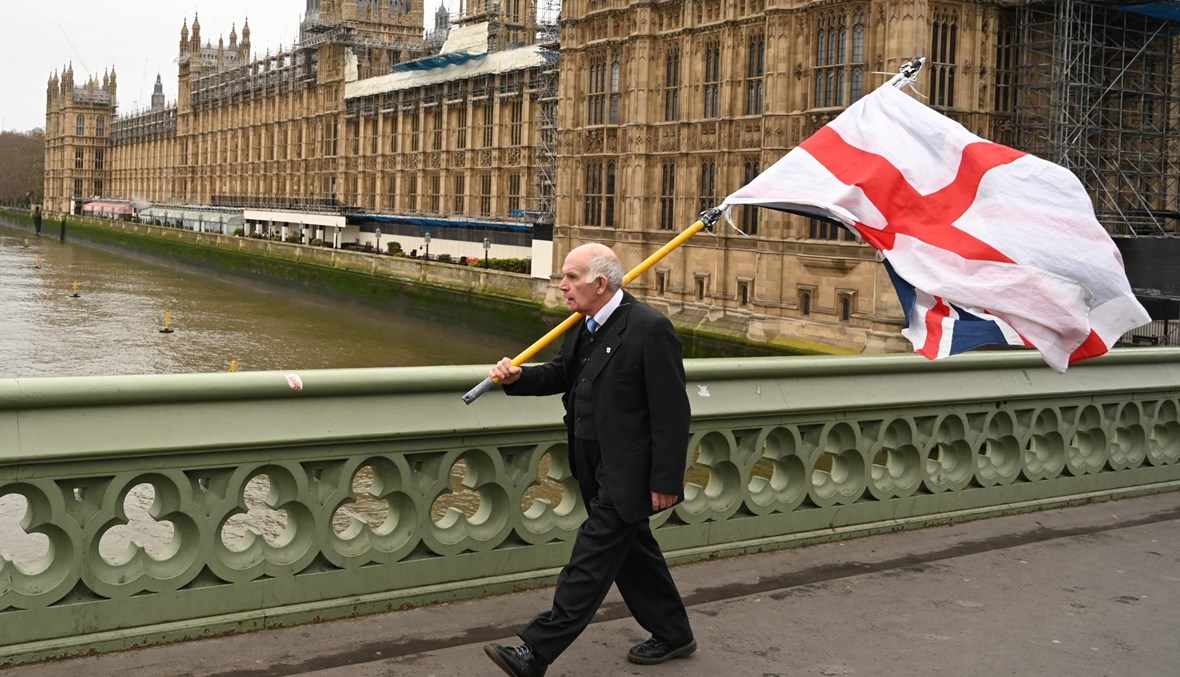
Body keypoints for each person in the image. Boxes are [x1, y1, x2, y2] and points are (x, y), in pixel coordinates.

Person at [483, 243, 695, 677]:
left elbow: (672, 412)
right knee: (634, 555)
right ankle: (674, 634)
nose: (562, 285)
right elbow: (565, 373)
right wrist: (519, 378)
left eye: (571, 277)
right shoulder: (583, 324)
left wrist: (666, 480)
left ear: (600, 283)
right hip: (589, 461)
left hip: (628, 470)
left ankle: (535, 651)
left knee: (590, 560)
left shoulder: (649, 328)